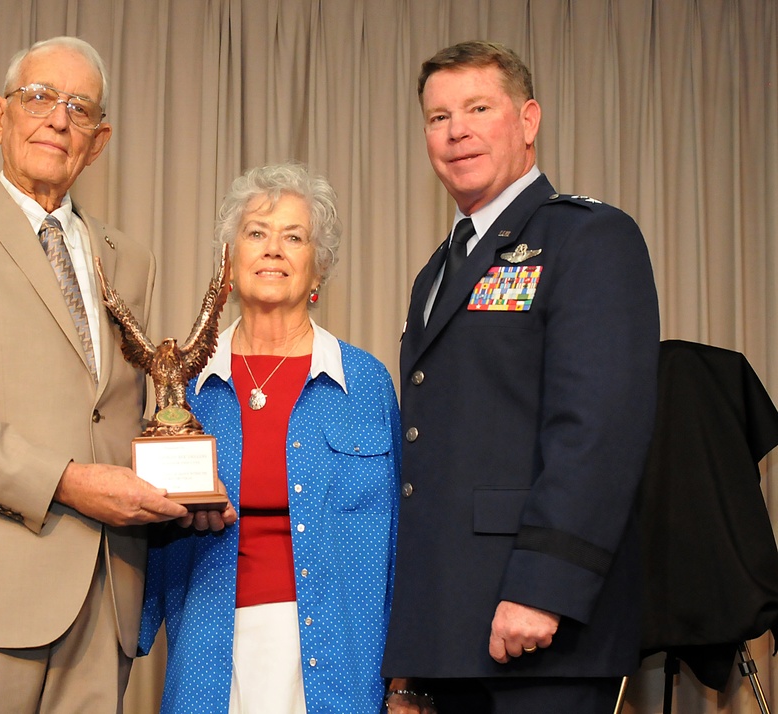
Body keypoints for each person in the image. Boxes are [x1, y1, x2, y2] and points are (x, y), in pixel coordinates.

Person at [0, 36, 192, 713]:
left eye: (79, 108)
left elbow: (121, 411)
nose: (58, 119)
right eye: (40, 98)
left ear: (98, 141)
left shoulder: (127, 258)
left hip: (103, 599)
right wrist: (68, 483)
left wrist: (188, 485)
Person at [382, 41, 660, 713]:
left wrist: (545, 587)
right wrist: (413, 648)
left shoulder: (589, 238)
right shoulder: (439, 268)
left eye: (479, 108)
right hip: (452, 632)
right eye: (438, 117)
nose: (457, 132)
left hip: (541, 628)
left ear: (528, 120)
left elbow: (597, 432)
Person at [138, 162, 401, 713]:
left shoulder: (366, 381)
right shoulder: (185, 387)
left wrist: (407, 675)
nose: (273, 249)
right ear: (229, 265)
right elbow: (147, 531)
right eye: (256, 233)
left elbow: (404, 536)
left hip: (342, 653)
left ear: (318, 270)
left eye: (294, 236)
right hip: (211, 645)